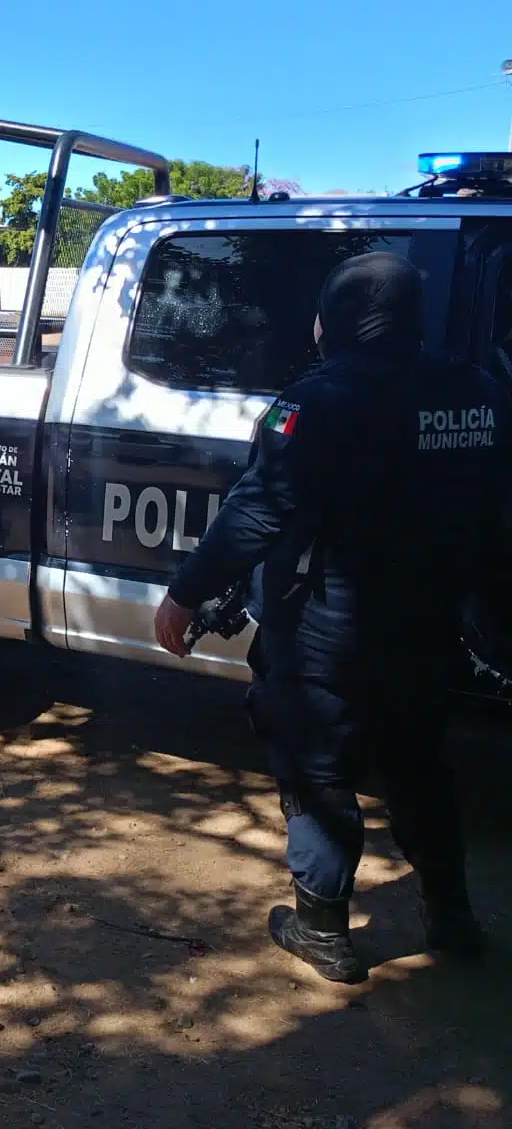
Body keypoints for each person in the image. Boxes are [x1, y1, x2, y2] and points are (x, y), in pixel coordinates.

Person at [154, 252, 510, 984]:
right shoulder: (479, 392)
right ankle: (452, 917)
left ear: (340, 320)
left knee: (316, 767)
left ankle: (321, 930)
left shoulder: (318, 401)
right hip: (433, 626)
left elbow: (258, 511)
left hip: (329, 628)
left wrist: (185, 592)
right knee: (421, 766)